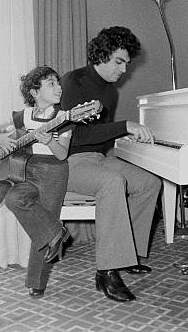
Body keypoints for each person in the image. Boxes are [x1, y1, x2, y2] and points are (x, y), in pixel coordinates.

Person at [60, 26, 161, 302]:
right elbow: (76, 136)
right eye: (119, 62)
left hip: (97, 159)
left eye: (127, 64)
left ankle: (128, 253)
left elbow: (103, 137)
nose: (124, 70)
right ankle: (107, 271)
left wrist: (126, 136)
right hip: (69, 163)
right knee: (113, 182)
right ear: (101, 55)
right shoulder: (74, 82)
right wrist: (123, 126)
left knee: (149, 183)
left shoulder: (111, 93)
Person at [0, 66, 71, 299]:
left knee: (45, 218)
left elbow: (62, 154)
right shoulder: (22, 116)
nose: (59, 87)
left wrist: (50, 141)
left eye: (58, 83)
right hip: (26, 168)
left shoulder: (63, 118)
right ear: (35, 92)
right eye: (51, 84)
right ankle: (57, 233)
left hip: (54, 171)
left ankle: (36, 282)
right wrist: (1, 139)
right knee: (14, 198)